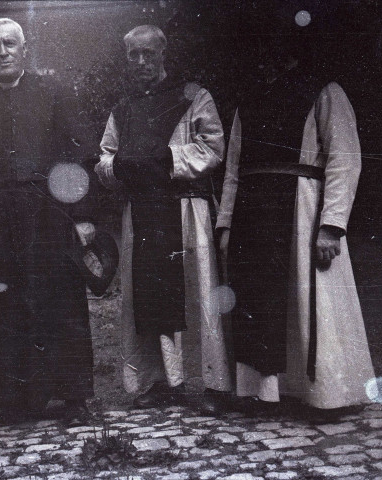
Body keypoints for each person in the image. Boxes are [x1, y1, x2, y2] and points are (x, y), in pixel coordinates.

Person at [0, 18, 98, 427]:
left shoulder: (54, 93)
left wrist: (83, 216)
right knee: (3, 308)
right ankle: (11, 400)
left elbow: (79, 154)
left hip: (49, 212)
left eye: (10, 44)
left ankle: (73, 399)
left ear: (24, 49)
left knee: (62, 302)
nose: (3, 52)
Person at [216, 39, 375, 411]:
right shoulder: (250, 98)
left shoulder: (325, 91)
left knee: (306, 296)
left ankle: (325, 394)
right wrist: (226, 222)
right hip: (253, 214)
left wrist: (332, 224)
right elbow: (233, 168)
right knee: (257, 298)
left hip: (302, 211)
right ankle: (265, 392)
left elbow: (344, 158)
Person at [95, 25, 231, 413]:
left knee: (198, 292)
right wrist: (119, 166)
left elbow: (213, 147)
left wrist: (165, 160)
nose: (141, 62)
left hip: (186, 208)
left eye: (148, 54)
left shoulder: (193, 98)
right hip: (143, 212)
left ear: (162, 53)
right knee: (150, 294)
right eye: (133, 55)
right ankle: (162, 382)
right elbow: (105, 157)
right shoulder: (122, 109)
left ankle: (213, 384)